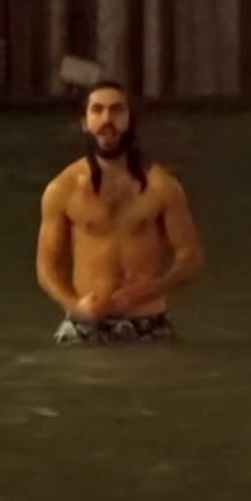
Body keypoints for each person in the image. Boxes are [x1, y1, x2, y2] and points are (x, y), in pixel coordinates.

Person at [36, 81, 204, 344]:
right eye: (98, 110)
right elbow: (46, 267)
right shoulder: (62, 189)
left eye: (116, 110)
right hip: (84, 325)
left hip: (148, 322)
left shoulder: (162, 187)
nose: (107, 119)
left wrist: (146, 291)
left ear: (130, 120)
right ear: (84, 122)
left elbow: (190, 259)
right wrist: (74, 306)